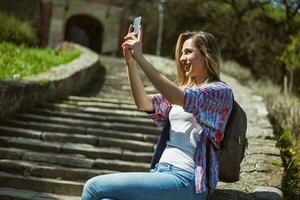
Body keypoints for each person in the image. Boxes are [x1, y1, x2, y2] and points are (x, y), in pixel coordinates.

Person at [81, 24, 233, 200]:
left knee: (93, 187)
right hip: (161, 171)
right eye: (182, 53)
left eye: (189, 52)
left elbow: (181, 98)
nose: (182, 58)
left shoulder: (219, 92)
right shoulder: (184, 90)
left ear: (206, 55)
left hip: (188, 178)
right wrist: (130, 62)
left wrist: (140, 57)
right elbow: (144, 103)